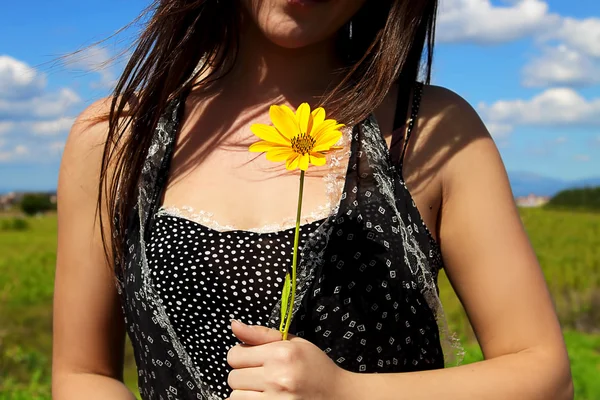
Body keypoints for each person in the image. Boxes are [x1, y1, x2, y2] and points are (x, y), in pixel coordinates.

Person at [52, 1, 574, 399]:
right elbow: (82, 373)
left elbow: (544, 371)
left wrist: (349, 391)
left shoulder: (427, 129)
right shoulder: (116, 138)